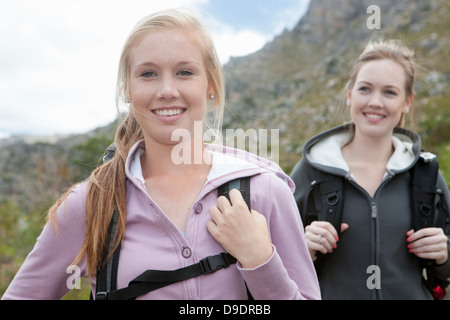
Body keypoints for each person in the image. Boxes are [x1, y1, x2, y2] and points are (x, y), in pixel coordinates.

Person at [2, 8, 320, 300]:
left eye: (184, 72)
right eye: (148, 74)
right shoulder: (89, 205)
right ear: (128, 88)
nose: (167, 89)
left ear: (210, 85)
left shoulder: (266, 192)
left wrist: (261, 260)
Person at [290, 39, 450, 299]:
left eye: (390, 92)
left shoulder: (426, 175)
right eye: (365, 89)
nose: (375, 102)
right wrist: (302, 249)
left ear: (407, 102)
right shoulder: (310, 172)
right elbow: (273, 263)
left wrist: (444, 254)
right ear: (350, 94)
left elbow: (444, 271)